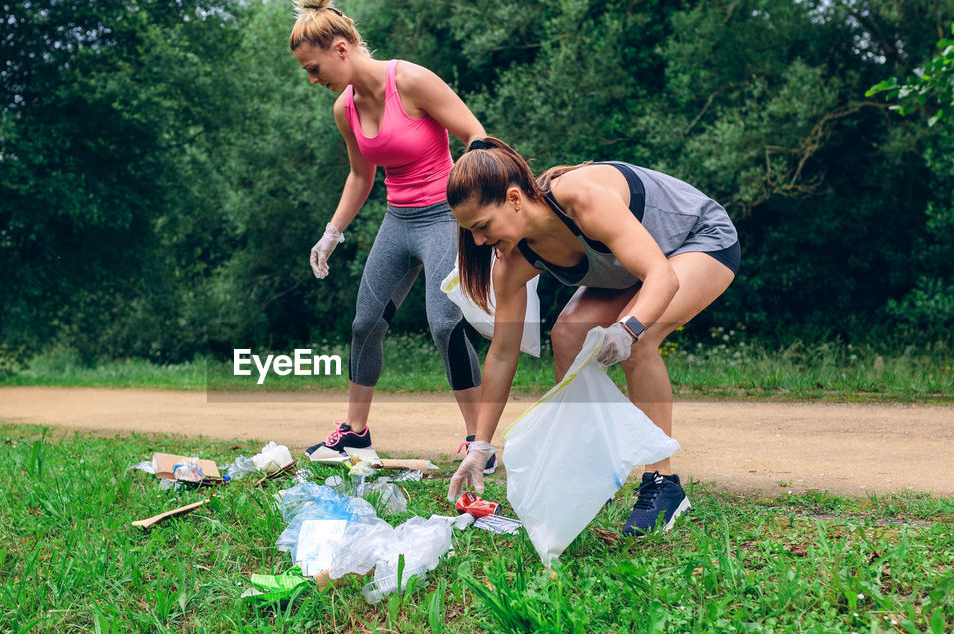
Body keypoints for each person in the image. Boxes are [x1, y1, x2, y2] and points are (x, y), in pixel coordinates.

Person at [444, 137, 741, 536]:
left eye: (482, 227)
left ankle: (663, 484)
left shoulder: (582, 198)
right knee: (566, 335)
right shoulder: (511, 260)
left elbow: (661, 276)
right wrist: (481, 444)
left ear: (514, 198)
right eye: (471, 232)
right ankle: (594, 470)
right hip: (632, 269)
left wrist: (627, 329)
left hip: (697, 240)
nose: (479, 242)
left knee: (642, 337)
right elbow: (501, 354)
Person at [289, 0, 492, 467]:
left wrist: (476, 208)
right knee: (365, 324)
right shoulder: (346, 109)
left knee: (445, 325)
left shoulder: (412, 81)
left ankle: (478, 441)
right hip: (398, 220)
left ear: (341, 49)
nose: (313, 80)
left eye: (314, 68)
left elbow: (476, 138)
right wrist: (331, 234)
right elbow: (361, 177)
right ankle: (356, 434)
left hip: (444, 215)